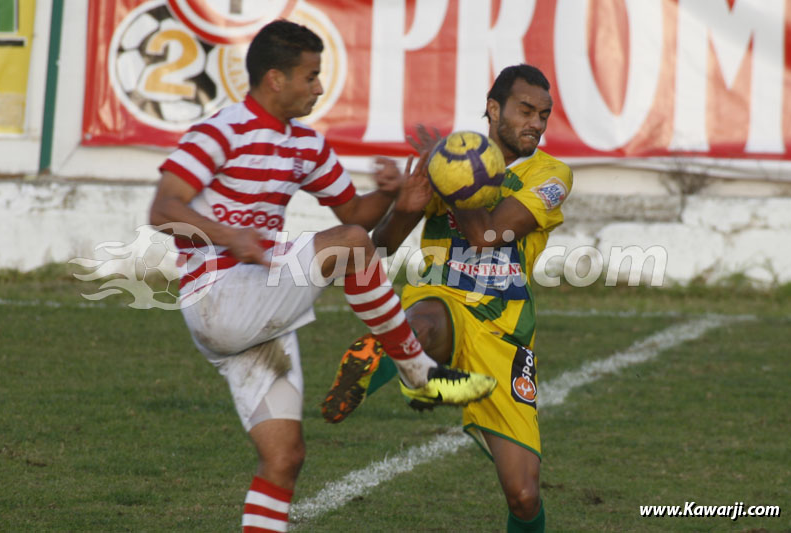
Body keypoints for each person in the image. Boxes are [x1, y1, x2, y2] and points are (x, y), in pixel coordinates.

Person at [149, 19, 496, 532]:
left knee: (284, 459)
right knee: (352, 247)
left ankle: (415, 372)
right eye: (310, 76)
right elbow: (162, 209)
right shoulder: (219, 132)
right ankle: (418, 373)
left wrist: (391, 195)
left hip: (259, 314)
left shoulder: (305, 144)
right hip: (219, 297)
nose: (318, 87)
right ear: (275, 79)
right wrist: (227, 236)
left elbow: (354, 211)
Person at [321, 64, 573, 532]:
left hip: (504, 332)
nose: (536, 123)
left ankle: (409, 365)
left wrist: (453, 181)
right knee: (423, 323)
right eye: (525, 110)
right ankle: (381, 359)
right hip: (444, 297)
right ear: (494, 109)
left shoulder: (552, 174)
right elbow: (380, 249)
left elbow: (490, 234)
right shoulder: (447, 163)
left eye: (544, 114)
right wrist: (407, 207)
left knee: (523, 494)